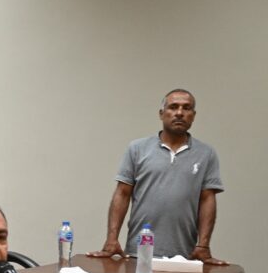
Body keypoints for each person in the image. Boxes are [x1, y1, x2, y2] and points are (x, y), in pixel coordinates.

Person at [88, 89, 226, 264]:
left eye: (186, 108)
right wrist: (111, 239)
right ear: (161, 113)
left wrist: (203, 246)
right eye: (173, 107)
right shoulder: (138, 148)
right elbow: (122, 193)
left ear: (193, 116)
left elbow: (207, 199)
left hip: (185, 255)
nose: (179, 113)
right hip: (139, 251)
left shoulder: (206, 153)